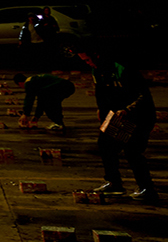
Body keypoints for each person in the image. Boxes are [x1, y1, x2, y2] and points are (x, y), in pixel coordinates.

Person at [64, 44, 158, 204]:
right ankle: (114, 183)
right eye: (84, 61)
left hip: (139, 115)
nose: (88, 63)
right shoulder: (97, 71)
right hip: (116, 116)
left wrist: (127, 109)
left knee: (132, 151)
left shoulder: (121, 68)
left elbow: (143, 95)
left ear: (96, 55)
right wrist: (102, 112)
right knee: (105, 145)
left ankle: (147, 189)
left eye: (88, 60)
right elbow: (101, 93)